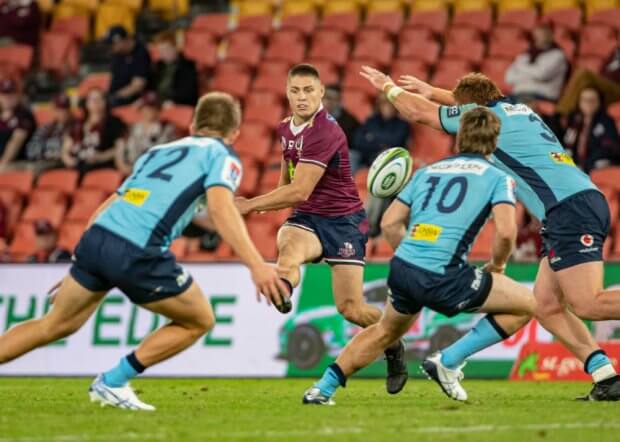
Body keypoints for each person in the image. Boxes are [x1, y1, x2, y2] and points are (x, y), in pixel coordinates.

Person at [0, 92, 286, 410]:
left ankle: (111, 381)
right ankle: (113, 381)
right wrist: (257, 265)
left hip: (98, 237)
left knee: (55, 324)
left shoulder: (160, 151)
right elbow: (221, 209)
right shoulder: (223, 156)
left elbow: (116, 198)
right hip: (137, 249)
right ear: (235, 133)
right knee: (199, 320)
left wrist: (80, 259)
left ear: (192, 125)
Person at [359, 66, 620, 400]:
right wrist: (433, 90)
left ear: (471, 109)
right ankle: (606, 376)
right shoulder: (515, 109)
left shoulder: (485, 117)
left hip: (569, 208)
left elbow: (417, 112)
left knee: (587, 303)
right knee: (545, 305)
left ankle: (450, 360)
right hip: (573, 203)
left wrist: (388, 88)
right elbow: (466, 101)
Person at [303, 107, 535, 405]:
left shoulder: (426, 171)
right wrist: (499, 265)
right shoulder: (498, 178)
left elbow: (388, 223)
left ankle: (322, 388)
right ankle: (448, 361)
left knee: (384, 330)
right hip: (444, 274)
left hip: (404, 268)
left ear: (458, 138)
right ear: (495, 141)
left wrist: (414, 256)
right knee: (526, 305)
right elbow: (505, 232)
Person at [235, 64, 408, 394]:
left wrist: (249, 204)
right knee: (288, 250)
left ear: (320, 94)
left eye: (308, 91)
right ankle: (283, 288)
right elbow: (287, 183)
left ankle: (393, 345)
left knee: (351, 309)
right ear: (287, 93)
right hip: (308, 219)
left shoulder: (327, 132)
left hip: (344, 223)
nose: (301, 97)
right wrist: (272, 201)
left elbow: (299, 190)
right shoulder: (285, 129)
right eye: (295, 91)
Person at [62, 88, 126, 174]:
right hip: (77, 163)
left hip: (100, 164)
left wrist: (101, 157)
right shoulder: (78, 123)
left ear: (105, 102)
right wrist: (67, 159)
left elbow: (120, 148)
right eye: (92, 99)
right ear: (86, 103)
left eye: (99, 99)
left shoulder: (114, 122)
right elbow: (66, 148)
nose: (95, 102)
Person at [557, 30, 620, 115]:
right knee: (584, 84)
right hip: (605, 85)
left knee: (583, 74)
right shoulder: (615, 51)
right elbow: (602, 70)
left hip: (616, 88)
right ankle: (571, 119)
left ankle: (561, 113)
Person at [562, 87, 620, 174]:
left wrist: (586, 165)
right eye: (584, 100)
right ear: (579, 102)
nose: (588, 103)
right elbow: (566, 144)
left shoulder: (606, 121)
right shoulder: (575, 120)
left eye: (592, 100)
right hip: (575, 165)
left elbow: (608, 148)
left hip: (594, 164)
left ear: (599, 102)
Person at [115, 91, 175, 175]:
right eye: (147, 107)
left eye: (153, 107)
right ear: (141, 109)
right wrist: (124, 167)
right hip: (130, 170)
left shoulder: (166, 129)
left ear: (159, 110)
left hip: (154, 171)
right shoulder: (130, 128)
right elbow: (120, 150)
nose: (150, 111)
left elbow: (168, 155)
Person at [505, 24, 569, 102]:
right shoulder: (525, 55)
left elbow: (541, 75)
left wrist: (521, 70)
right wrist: (532, 73)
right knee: (493, 105)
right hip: (518, 94)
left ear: (551, 35)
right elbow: (509, 78)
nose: (540, 38)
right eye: (537, 35)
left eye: (544, 34)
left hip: (543, 96)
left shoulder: (557, 55)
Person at [351, 93, 411, 174]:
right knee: (352, 155)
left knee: (383, 156)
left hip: (390, 158)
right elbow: (358, 141)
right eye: (384, 104)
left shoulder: (402, 124)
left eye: (391, 105)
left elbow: (395, 141)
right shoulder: (371, 120)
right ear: (379, 106)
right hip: (366, 155)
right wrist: (381, 144)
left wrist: (371, 137)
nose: (388, 108)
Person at [25, 93, 75, 174]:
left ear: (69, 110)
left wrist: (57, 154)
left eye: (65, 109)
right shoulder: (46, 128)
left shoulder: (75, 126)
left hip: (61, 162)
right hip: (43, 160)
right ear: (54, 110)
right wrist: (43, 154)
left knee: (33, 170)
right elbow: (31, 148)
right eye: (58, 109)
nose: (62, 113)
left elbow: (75, 149)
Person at [104, 26, 151, 107]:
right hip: (114, 95)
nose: (111, 47)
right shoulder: (118, 55)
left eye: (112, 44)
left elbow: (138, 85)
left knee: (109, 103)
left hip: (131, 98)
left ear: (122, 41)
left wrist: (115, 96)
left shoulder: (140, 53)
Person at [151, 30, 198, 107]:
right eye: (161, 51)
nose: (164, 54)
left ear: (176, 47)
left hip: (179, 103)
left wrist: (173, 101)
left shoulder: (187, 65)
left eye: (167, 49)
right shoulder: (159, 65)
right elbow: (152, 87)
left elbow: (188, 92)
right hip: (159, 103)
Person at [0, 77, 36, 171]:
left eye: (11, 94)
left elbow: (15, 142)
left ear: (18, 95)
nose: (8, 98)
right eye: (4, 94)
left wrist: (3, 163)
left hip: (17, 162)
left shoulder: (23, 115)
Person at [322, 84, 359, 149]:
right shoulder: (309, 116)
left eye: (334, 99)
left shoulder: (349, 121)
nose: (329, 102)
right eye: (327, 98)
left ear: (339, 102)